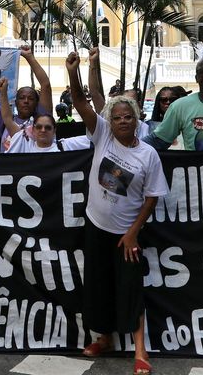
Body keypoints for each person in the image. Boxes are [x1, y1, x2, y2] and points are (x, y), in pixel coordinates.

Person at [65, 51, 167, 375]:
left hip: (127, 235)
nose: (122, 121)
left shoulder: (148, 155)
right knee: (98, 286)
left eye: (128, 116)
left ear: (137, 119)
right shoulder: (103, 134)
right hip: (96, 226)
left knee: (130, 290)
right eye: (118, 116)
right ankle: (104, 338)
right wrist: (74, 71)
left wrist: (133, 232)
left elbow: (152, 198)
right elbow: (84, 101)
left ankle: (140, 350)